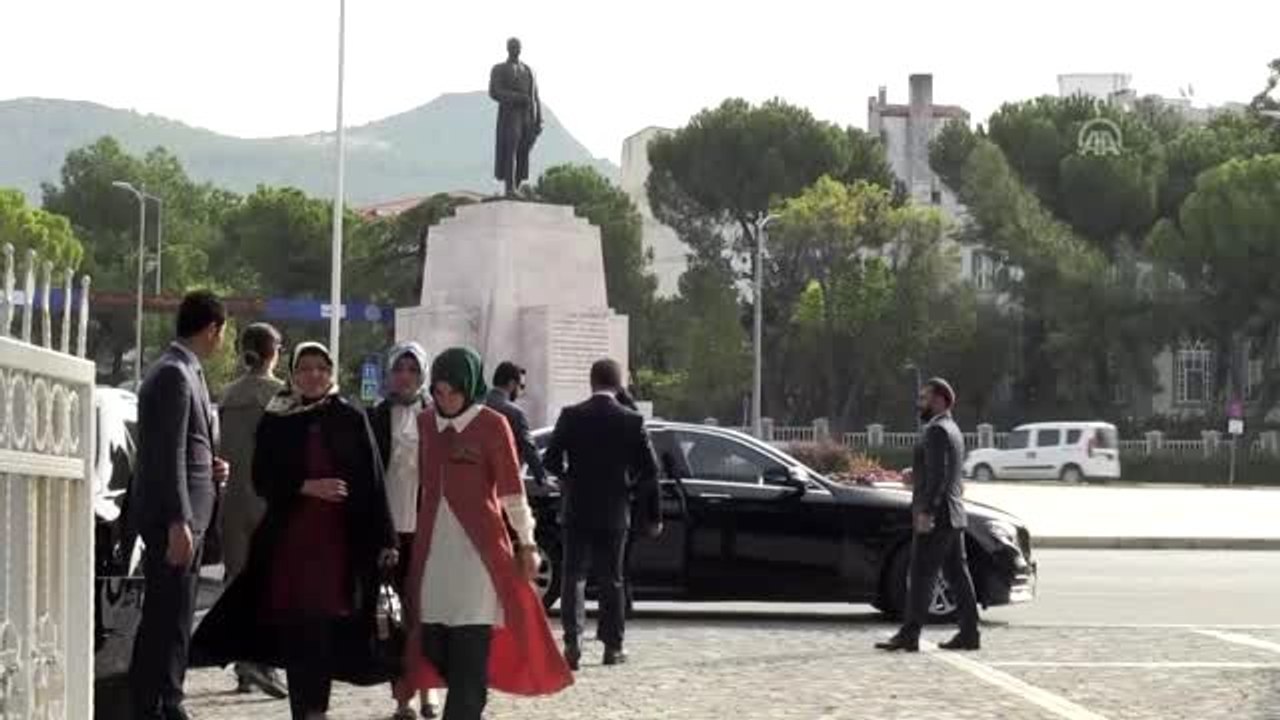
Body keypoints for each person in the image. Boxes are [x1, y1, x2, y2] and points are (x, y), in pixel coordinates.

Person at [191, 342, 400, 720]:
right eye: (304, 368)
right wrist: (306, 486)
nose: (313, 375)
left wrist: (385, 538)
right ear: (292, 374)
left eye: (321, 367)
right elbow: (261, 477)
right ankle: (306, 711)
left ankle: (314, 709)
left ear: (331, 372)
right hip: (290, 542)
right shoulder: (278, 417)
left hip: (339, 544)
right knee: (298, 629)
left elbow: (372, 480)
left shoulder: (350, 416)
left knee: (324, 628)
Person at [395, 347, 572, 720]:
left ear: (470, 387)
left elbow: (511, 490)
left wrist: (526, 542)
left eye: (453, 393)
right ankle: (467, 691)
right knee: (431, 643)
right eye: (439, 393)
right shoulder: (426, 423)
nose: (445, 402)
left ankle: (467, 703)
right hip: (432, 553)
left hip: (478, 558)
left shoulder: (493, 425)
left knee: (470, 648)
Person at [128, 291, 229, 720]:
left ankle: (167, 697)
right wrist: (178, 520)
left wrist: (212, 465)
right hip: (178, 521)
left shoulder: (186, 371)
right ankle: (158, 703)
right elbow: (166, 454)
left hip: (189, 514)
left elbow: (187, 445)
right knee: (166, 619)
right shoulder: (173, 373)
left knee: (177, 616)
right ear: (213, 330)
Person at [542, 359, 661, 670]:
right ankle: (612, 646)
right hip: (614, 509)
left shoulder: (571, 416)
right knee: (613, 579)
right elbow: (651, 470)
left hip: (577, 508)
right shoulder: (632, 421)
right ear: (618, 384)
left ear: (591, 381)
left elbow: (551, 462)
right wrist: (628, 487)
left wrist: (570, 480)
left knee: (573, 577)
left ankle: (573, 641)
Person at [876, 377, 981, 653]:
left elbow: (940, 476)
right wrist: (916, 475)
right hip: (953, 515)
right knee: (958, 575)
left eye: (924, 398)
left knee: (921, 574)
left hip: (938, 516)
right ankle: (970, 633)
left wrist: (927, 511)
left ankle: (910, 635)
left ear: (938, 400)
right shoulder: (952, 429)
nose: (919, 403)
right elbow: (944, 473)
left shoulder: (936, 431)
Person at [216, 322, 288, 699]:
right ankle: (264, 661)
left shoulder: (227, 396)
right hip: (268, 502)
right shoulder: (282, 395)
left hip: (231, 502)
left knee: (237, 580)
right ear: (274, 351)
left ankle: (243, 665)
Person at [369, 341, 441, 720]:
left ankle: (429, 690)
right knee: (394, 616)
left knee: (425, 613)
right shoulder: (376, 417)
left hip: (427, 528)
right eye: (400, 369)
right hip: (390, 530)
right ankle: (402, 698)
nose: (406, 376)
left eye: (413, 370)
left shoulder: (436, 417)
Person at [488, 37, 542, 195]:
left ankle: (516, 186)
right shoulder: (499, 69)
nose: (515, 49)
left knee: (523, 152)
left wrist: (539, 119)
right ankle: (509, 188)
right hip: (510, 115)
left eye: (517, 47)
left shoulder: (528, 70)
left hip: (528, 117)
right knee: (510, 150)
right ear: (507, 49)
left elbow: (535, 96)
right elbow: (495, 91)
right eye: (512, 47)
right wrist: (517, 98)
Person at [485, 361, 547, 486]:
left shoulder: (477, 406)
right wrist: (542, 478)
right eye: (521, 386)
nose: (521, 392)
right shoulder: (514, 413)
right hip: (503, 481)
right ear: (512, 384)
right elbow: (529, 447)